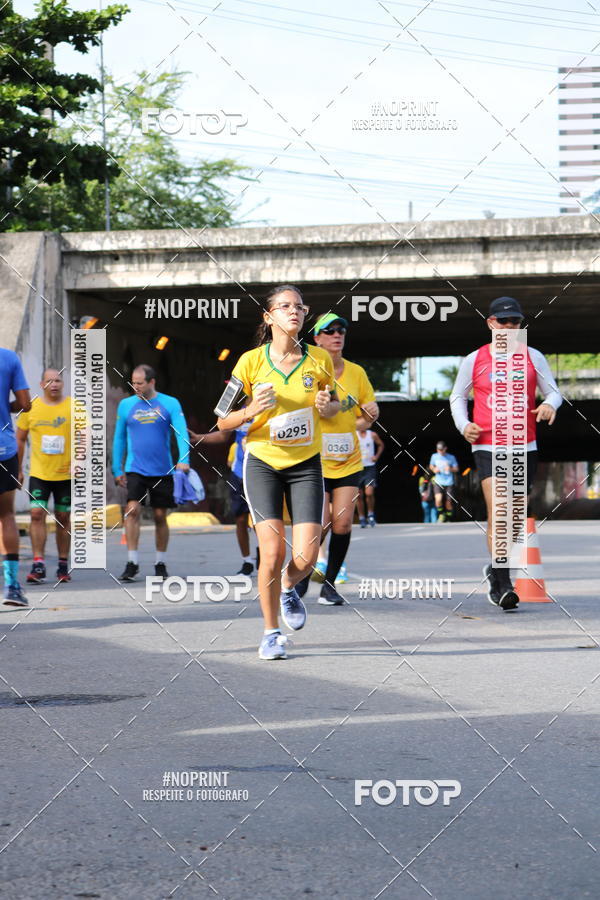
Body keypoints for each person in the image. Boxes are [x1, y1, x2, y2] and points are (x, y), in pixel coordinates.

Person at [217, 284, 337, 660]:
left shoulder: (320, 359)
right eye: (284, 306)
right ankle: (270, 633)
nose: (294, 312)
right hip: (263, 462)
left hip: (305, 463)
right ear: (268, 317)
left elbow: (332, 408)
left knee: (308, 557)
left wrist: (325, 405)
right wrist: (251, 409)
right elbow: (222, 419)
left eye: (299, 306)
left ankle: (287, 585)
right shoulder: (249, 362)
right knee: (270, 551)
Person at [450, 296, 562, 611]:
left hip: (525, 445)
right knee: (500, 512)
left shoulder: (533, 356)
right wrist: (464, 425)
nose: (510, 327)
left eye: (516, 322)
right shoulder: (475, 359)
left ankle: (495, 571)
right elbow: (457, 396)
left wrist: (549, 405)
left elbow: (553, 391)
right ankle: (503, 585)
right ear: (490, 323)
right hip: (487, 444)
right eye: (504, 322)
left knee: (514, 519)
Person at [297, 312, 378, 606]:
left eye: (341, 330)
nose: (336, 334)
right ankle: (301, 578)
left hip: (348, 459)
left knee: (342, 523)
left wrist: (369, 415)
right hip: (313, 459)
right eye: (329, 330)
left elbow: (364, 418)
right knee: (319, 524)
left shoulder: (356, 373)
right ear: (316, 338)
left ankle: (329, 585)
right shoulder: (307, 371)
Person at [112, 364, 190, 582]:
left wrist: (184, 460)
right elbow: (118, 438)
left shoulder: (170, 403)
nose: (135, 387)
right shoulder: (126, 405)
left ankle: (160, 561)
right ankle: (132, 561)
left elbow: (181, 432)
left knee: (159, 516)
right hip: (135, 468)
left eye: (140, 383)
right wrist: (117, 468)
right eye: (133, 383)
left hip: (162, 470)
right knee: (132, 510)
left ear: (152, 382)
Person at [16, 368, 72, 583]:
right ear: (42, 385)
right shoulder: (31, 408)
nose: (54, 384)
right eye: (50, 381)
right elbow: (20, 438)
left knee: (62, 517)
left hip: (64, 474)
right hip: (39, 474)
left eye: (58, 380)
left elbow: (84, 435)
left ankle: (62, 563)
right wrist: (18, 468)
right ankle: (38, 563)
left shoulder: (73, 407)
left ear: (63, 384)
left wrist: (79, 460)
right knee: (37, 514)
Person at [188, 422, 257, 575]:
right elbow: (222, 435)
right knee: (240, 519)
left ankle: (265, 554)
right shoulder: (237, 410)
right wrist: (199, 437)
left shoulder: (269, 404)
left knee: (261, 521)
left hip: (262, 473)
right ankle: (247, 562)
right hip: (239, 474)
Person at [0, 348, 31, 606]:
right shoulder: (9, 358)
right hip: (3, 449)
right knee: (6, 515)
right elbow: (25, 403)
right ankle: (11, 587)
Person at [356, 423, 385, 526]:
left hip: (370, 468)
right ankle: (362, 517)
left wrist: (376, 456)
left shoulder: (372, 435)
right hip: (357, 468)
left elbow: (381, 445)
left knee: (369, 493)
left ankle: (371, 514)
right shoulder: (354, 435)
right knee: (358, 495)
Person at [429, 441, 459, 522]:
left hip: (449, 482)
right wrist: (434, 469)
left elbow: (457, 469)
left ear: (445, 449)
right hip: (438, 481)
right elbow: (431, 465)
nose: (440, 451)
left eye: (441, 450)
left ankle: (449, 518)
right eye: (438, 450)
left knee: (448, 502)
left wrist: (450, 469)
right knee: (438, 499)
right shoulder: (434, 456)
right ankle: (441, 514)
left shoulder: (451, 457)